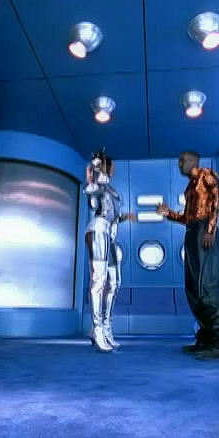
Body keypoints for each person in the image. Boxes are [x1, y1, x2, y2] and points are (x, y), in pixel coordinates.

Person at [157, 151, 219, 360]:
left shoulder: (206, 175)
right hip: (192, 233)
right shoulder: (189, 187)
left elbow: (218, 200)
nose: (179, 164)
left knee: (207, 285)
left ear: (192, 161)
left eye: (182, 160)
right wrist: (169, 213)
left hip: (204, 232)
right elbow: (187, 218)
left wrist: (210, 229)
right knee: (193, 288)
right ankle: (207, 339)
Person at [84, 149, 136, 353]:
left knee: (114, 282)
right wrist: (95, 170)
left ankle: (105, 328)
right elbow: (92, 200)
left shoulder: (111, 191)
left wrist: (125, 217)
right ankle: (97, 329)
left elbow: (112, 215)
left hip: (109, 236)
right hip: (97, 230)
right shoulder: (99, 185)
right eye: (111, 166)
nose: (113, 169)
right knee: (99, 281)